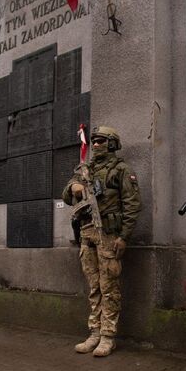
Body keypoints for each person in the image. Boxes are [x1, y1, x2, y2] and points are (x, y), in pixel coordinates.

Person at [61, 126, 141, 357]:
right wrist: (74, 188)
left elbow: (132, 205)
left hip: (108, 235)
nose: (96, 145)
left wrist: (123, 237)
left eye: (101, 141)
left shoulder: (121, 170)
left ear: (112, 143)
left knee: (109, 288)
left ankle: (108, 336)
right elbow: (66, 195)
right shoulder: (85, 170)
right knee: (94, 287)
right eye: (94, 141)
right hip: (87, 234)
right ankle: (94, 333)